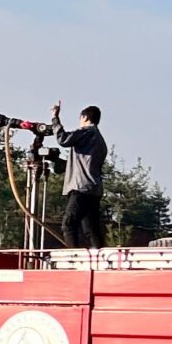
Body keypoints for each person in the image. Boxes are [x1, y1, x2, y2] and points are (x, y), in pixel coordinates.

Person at [57, 104, 107, 248]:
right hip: (94, 189)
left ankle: (74, 257)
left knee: (69, 223)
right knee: (91, 229)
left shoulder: (86, 132)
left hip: (81, 187)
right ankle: (100, 257)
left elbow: (63, 139)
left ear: (84, 117)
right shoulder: (100, 141)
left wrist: (55, 120)